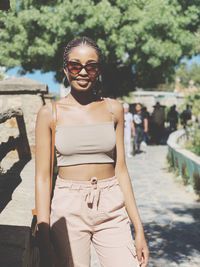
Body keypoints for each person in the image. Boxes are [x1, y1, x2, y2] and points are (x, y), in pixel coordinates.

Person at [35, 36, 149, 267]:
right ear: (65, 69)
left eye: (91, 66)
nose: (83, 72)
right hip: (67, 209)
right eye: (75, 65)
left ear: (98, 70)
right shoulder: (50, 113)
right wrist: (44, 237)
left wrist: (139, 229)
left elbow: (122, 171)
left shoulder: (114, 109)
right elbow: (43, 177)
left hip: (111, 206)